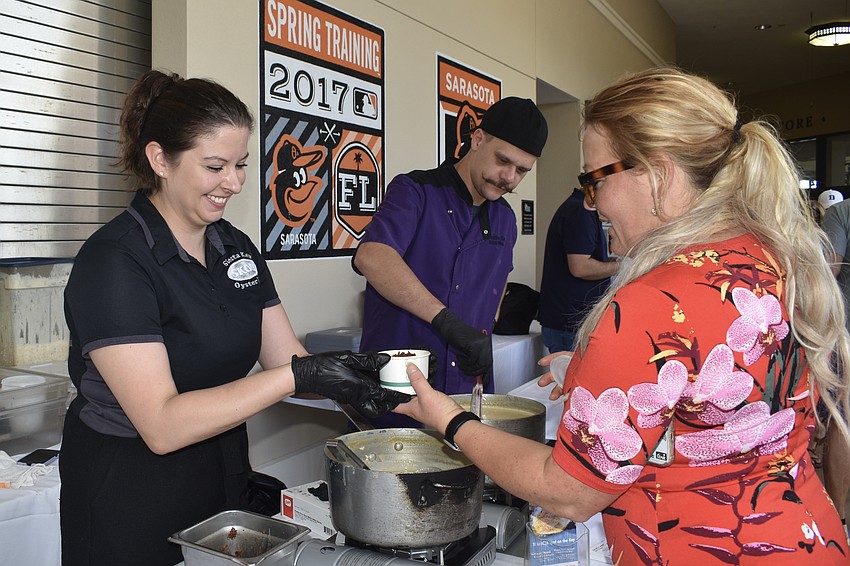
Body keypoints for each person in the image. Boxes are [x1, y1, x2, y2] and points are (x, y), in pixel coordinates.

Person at [395, 67, 850, 564]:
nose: (592, 205)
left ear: (657, 175)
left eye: (594, 181)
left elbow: (568, 491)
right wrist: (599, 370)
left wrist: (450, 420)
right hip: (804, 535)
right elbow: (727, 409)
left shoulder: (654, 301)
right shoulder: (771, 260)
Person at [59, 70, 409, 566]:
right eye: (216, 166)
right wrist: (297, 374)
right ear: (160, 159)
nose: (235, 183)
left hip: (220, 470)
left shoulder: (234, 248)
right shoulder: (114, 261)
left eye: (242, 165)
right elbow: (161, 424)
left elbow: (288, 362)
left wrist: (357, 375)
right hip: (129, 487)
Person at [352, 97, 548, 424]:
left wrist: (484, 328)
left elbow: (497, 287)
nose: (509, 177)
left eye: (522, 170)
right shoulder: (415, 191)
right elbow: (372, 256)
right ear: (478, 138)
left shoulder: (505, 218)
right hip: (400, 388)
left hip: (467, 387)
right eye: (503, 161)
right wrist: (447, 322)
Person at [538, 188, 619, 353]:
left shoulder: (579, 208)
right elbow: (580, 267)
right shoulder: (580, 211)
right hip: (570, 323)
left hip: (568, 319)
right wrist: (624, 266)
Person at [819, 197, 850, 533]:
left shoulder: (842, 213)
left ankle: (838, 519)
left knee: (844, 419)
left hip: (847, 328)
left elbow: (830, 269)